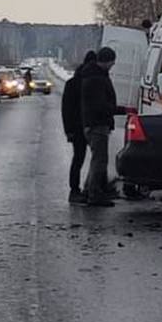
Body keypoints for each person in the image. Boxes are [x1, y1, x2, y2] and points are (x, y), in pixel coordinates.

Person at [80, 46, 121, 207]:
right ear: (106, 61)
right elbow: (101, 106)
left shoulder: (92, 75)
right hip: (98, 124)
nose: (113, 65)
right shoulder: (97, 78)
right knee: (100, 161)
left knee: (96, 160)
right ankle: (94, 194)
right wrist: (121, 110)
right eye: (112, 62)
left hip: (93, 123)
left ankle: (88, 190)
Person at [61, 50, 98, 203]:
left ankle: (75, 190)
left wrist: (68, 130)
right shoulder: (92, 81)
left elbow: (66, 109)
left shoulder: (72, 83)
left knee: (79, 158)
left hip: (76, 127)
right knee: (97, 158)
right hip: (89, 125)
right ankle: (93, 188)